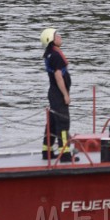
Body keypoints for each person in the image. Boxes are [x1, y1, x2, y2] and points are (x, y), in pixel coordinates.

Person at [41, 27, 75, 162]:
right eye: (57, 36)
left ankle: (47, 152)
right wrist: (65, 95)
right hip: (58, 94)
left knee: (53, 123)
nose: (60, 37)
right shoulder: (55, 55)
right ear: (51, 40)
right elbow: (58, 75)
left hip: (53, 93)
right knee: (63, 122)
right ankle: (65, 154)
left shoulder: (50, 54)